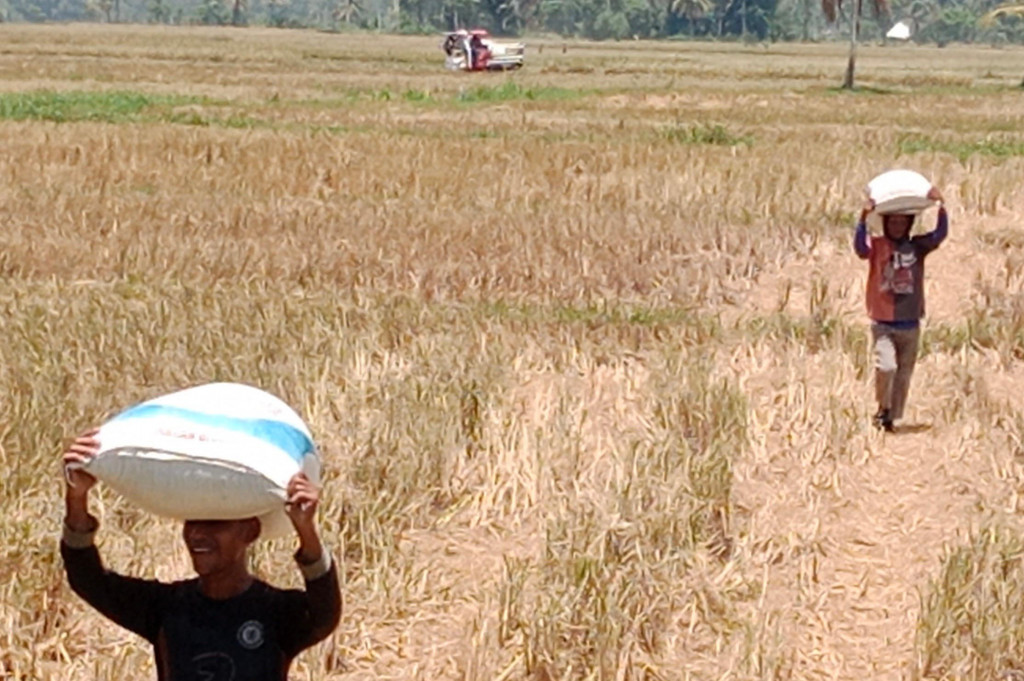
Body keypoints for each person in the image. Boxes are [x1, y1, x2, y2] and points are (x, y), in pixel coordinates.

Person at [60, 428, 341, 681]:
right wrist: (77, 498)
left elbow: (325, 614)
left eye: (215, 523)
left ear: (250, 532)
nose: (197, 534)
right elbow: (88, 580)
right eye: (192, 522)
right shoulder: (167, 607)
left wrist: (306, 529)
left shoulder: (276, 612)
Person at [854, 187, 948, 432]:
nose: (897, 226)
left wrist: (941, 206)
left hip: (910, 322)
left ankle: (890, 418)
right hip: (883, 321)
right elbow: (860, 249)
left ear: (909, 224)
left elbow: (939, 234)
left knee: (904, 374)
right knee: (887, 367)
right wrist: (863, 218)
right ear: (885, 223)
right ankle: (882, 406)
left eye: (902, 222)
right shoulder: (876, 246)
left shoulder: (918, 246)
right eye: (892, 221)